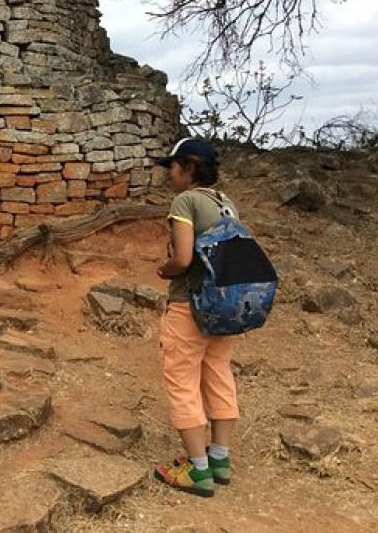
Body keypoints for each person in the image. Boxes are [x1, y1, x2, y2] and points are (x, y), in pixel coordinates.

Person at [153, 137, 239, 497]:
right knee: (218, 375)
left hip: (189, 305)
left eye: (172, 167)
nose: (169, 174)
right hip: (222, 308)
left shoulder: (185, 201)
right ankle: (219, 459)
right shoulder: (226, 204)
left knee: (182, 380)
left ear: (188, 167)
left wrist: (164, 269)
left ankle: (196, 469)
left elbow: (184, 259)